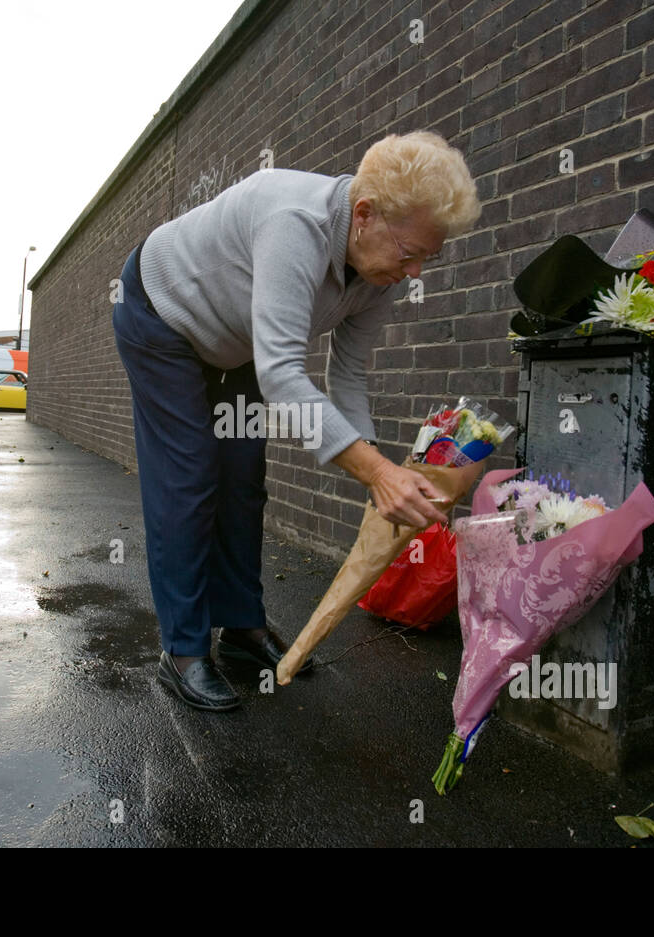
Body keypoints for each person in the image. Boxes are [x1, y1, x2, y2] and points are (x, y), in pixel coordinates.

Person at [112, 131, 482, 712]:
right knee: (188, 476)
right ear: (364, 215)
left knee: (242, 479)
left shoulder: (379, 271)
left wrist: (377, 469)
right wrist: (377, 474)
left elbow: (349, 374)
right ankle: (182, 649)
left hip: (237, 343)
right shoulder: (294, 224)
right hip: (163, 318)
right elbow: (284, 375)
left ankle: (239, 629)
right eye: (410, 253)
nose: (414, 272)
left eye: (426, 259)